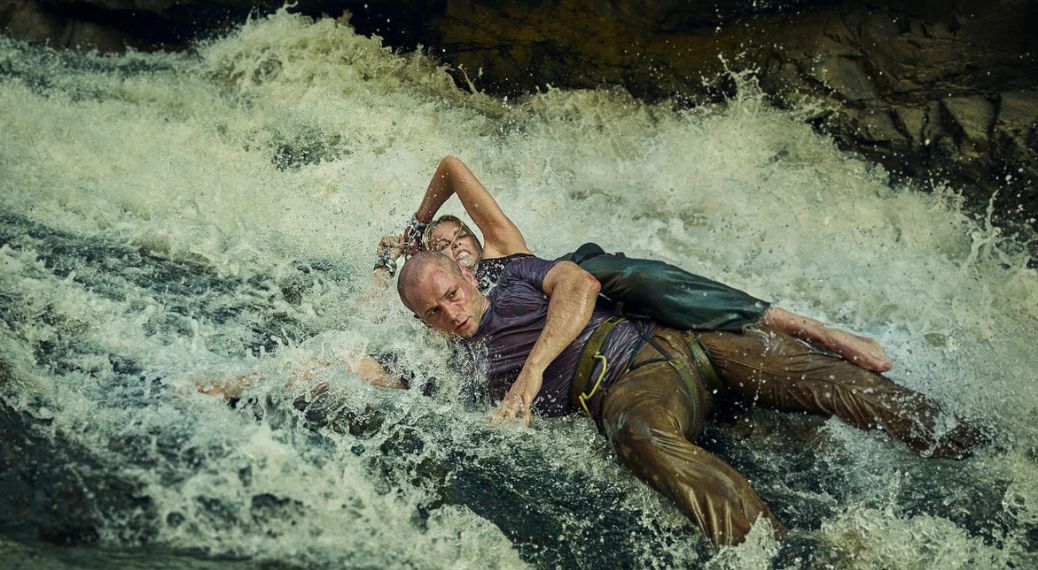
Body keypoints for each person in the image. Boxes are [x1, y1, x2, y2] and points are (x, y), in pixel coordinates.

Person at [395, 250, 985, 548]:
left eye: (451, 293)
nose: (452, 312)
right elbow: (397, 388)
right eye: (434, 312)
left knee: (839, 383)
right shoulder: (459, 371)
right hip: (629, 388)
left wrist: (531, 373)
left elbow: (580, 284)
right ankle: (767, 551)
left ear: (464, 276)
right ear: (423, 322)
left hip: (676, 335)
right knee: (637, 437)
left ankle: (981, 450)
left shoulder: (512, 273)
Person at [376, 155, 893, 373]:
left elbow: (450, 166)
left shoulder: (502, 248)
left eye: (457, 235)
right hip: (580, 350)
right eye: (438, 244)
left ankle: (808, 327)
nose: (452, 246)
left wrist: (417, 221)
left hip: (584, 280)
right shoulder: (444, 314)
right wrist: (384, 265)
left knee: (627, 275)